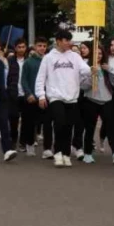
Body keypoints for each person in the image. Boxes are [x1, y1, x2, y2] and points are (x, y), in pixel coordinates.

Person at [35, 30, 92, 169]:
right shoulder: (48, 58)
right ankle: (58, 152)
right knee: (59, 123)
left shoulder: (75, 57)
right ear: (58, 41)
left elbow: (85, 70)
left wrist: (92, 69)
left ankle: (66, 154)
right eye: (66, 40)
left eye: (70, 40)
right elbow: (41, 78)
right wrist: (41, 95)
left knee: (68, 126)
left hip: (72, 97)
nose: (69, 43)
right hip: (55, 96)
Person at [20, 38, 48, 158]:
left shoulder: (48, 61)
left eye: (44, 46)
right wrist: (28, 93)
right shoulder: (28, 62)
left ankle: (47, 148)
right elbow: (24, 80)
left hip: (46, 97)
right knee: (29, 123)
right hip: (32, 97)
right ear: (35, 47)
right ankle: (29, 144)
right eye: (39, 45)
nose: (42, 48)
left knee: (46, 123)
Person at [5, 39, 27, 151]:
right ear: (15, 48)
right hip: (13, 93)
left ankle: (23, 142)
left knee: (26, 119)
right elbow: (6, 77)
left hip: (27, 94)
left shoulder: (29, 60)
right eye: (19, 47)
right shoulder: (9, 61)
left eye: (23, 47)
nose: (21, 49)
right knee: (13, 118)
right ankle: (13, 140)